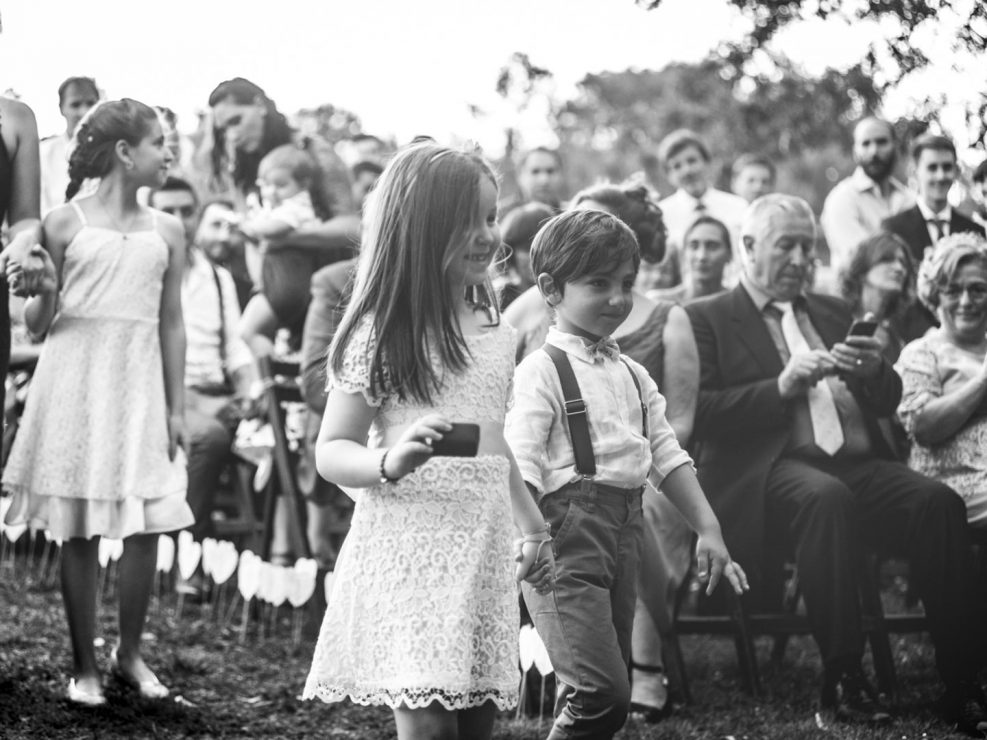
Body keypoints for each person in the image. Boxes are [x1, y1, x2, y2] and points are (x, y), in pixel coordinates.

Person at [685, 193, 987, 734]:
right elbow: (699, 414)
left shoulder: (829, 309)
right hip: (768, 471)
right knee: (826, 498)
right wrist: (780, 386)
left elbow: (888, 399)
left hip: (854, 463)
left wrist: (874, 372)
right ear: (749, 246)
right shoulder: (706, 317)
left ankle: (963, 683)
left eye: (809, 246)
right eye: (788, 246)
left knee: (935, 502)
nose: (803, 259)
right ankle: (844, 676)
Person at [302, 142, 555, 740]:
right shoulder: (380, 333)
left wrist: (533, 526)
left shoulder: (497, 333)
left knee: (474, 725)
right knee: (430, 727)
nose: (486, 234)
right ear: (419, 228)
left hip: (483, 543)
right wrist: (390, 459)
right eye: (467, 219)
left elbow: (493, 442)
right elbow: (332, 449)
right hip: (410, 546)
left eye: (492, 217)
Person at [505, 208, 747, 740]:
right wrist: (530, 534)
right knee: (601, 693)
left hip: (624, 533)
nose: (618, 298)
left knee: (598, 691)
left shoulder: (633, 374)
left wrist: (709, 529)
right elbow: (517, 461)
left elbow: (666, 455)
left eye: (626, 284)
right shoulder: (540, 371)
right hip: (562, 541)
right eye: (599, 283)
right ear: (550, 287)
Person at [2, 99, 192, 706]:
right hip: (75, 380)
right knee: (78, 528)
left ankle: (129, 653)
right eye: (159, 142)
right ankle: (84, 665)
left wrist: (175, 403)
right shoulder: (60, 224)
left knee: (148, 523)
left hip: (140, 380)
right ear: (124, 152)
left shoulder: (168, 230)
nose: (169, 153)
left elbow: (172, 323)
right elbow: (34, 326)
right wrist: (46, 289)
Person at [149, 177, 255, 581]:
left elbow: (235, 347)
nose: (179, 219)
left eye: (186, 211)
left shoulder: (217, 276)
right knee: (209, 438)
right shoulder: (149, 268)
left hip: (216, 392)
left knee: (270, 434)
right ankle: (186, 553)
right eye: (168, 210)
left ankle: (265, 561)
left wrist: (249, 387)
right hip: (167, 390)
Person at [205, 78, 360, 340]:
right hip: (278, 286)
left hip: (330, 291)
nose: (232, 135)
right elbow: (253, 238)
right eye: (223, 130)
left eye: (236, 121)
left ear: (259, 105)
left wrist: (288, 236)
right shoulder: (241, 171)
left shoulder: (313, 151)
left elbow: (352, 228)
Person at [505, 181, 667, 361]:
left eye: (599, 225)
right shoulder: (538, 301)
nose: (581, 232)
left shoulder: (630, 365)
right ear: (550, 288)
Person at [895, 232, 987, 528]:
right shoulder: (922, 353)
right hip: (955, 483)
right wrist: (982, 382)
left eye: (977, 289)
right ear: (935, 295)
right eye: (952, 290)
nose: (966, 301)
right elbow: (924, 426)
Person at [237, 144, 325, 358]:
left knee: (249, 331)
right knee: (255, 332)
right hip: (277, 284)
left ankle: (271, 375)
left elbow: (272, 229)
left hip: (287, 289)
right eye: (266, 185)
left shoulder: (297, 208)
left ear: (303, 184)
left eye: (281, 185)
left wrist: (247, 225)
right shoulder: (281, 208)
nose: (271, 192)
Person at [650, 129, 747, 291]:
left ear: (707, 163)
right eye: (677, 166)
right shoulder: (661, 216)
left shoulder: (738, 207)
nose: (687, 170)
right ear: (669, 175)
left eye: (692, 161)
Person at [820, 117, 914, 275]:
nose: (874, 151)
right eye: (866, 144)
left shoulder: (909, 199)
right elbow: (862, 260)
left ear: (895, 147)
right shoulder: (842, 199)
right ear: (855, 151)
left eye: (881, 142)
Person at [882, 133, 985, 265]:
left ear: (956, 171)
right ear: (914, 172)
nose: (940, 176)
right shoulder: (893, 229)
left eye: (947, 167)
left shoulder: (974, 232)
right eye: (932, 168)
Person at [837, 231, 918, 363]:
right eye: (887, 259)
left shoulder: (896, 339)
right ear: (862, 268)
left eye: (903, 263)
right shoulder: (835, 320)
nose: (899, 268)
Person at [38, 76, 99, 215]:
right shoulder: (43, 154)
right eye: (75, 104)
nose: (84, 112)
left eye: (91, 104)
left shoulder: (113, 154)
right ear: (61, 108)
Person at [649, 215, 733, 304]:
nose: (702, 256)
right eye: (694, 246)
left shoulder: (739, 304)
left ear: (729, 254)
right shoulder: (660, 303)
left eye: (712, 246)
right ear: (684, 253)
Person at [495, 201, 553, 309]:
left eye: (544, 248)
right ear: (511, 253)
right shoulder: (499, 299)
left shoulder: (566, 298)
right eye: (527, 249)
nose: (535, 256)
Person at [515, 146, 565, 211]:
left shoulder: (574, 216)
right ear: (520, 177)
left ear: (561, 175)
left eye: (550, 171)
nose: (544, 180)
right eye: (535, 171)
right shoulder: (500, 216)